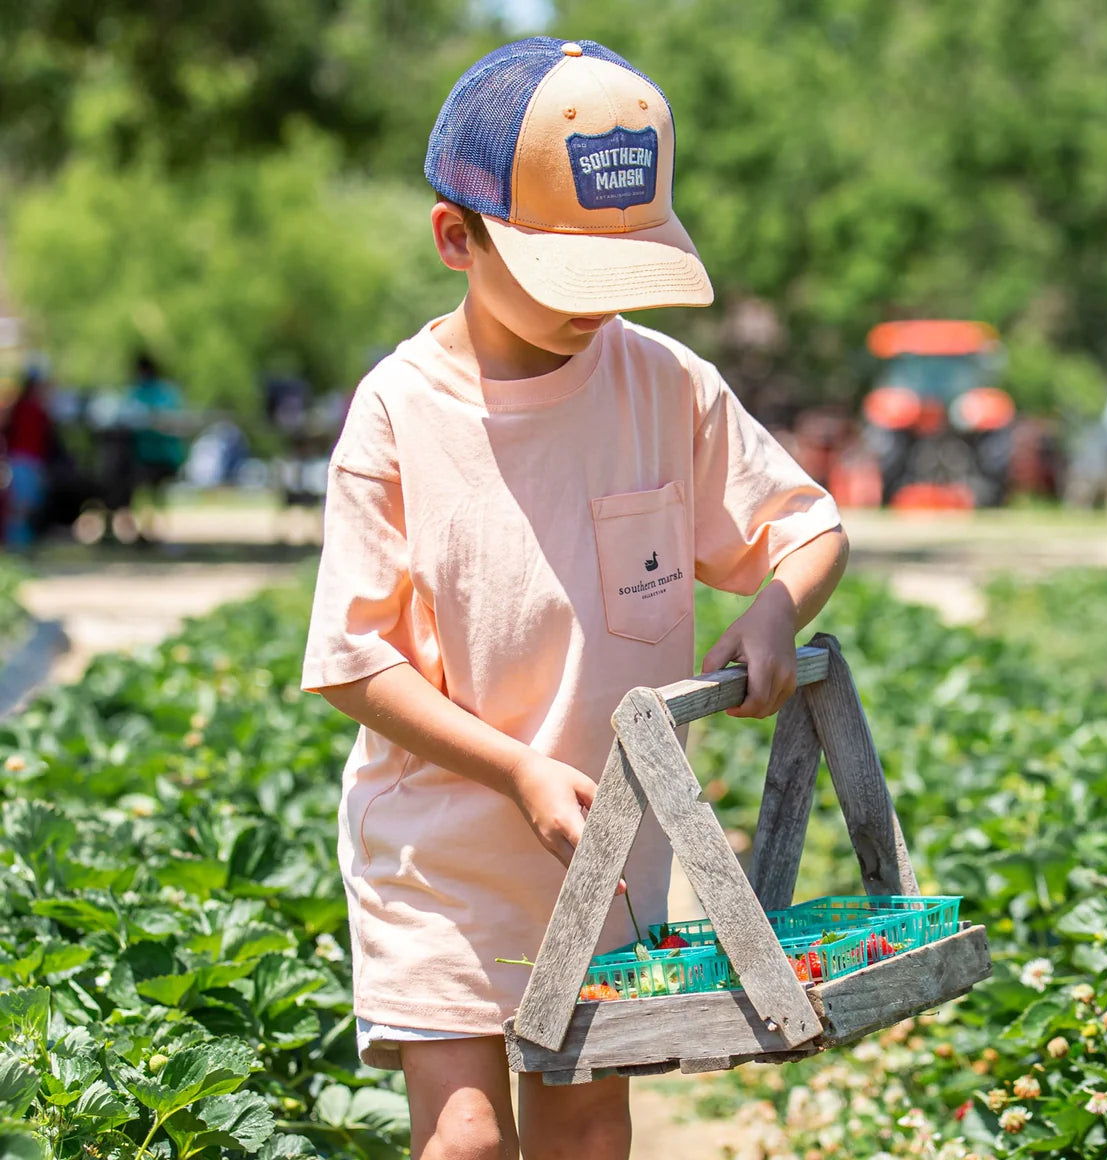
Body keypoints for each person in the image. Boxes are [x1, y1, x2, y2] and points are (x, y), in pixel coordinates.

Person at [301, 37, 849, 1160]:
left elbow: (805, 527)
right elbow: (355, 659)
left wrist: (774, 607)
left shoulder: (664, 384)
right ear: (456, 236)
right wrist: (510, 766)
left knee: (590, 1130)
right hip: (440, 847)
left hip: (609, 853)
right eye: (566, 279)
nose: (594, 311)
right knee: (462, 1142)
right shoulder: (400, 412)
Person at [124, 353, 186, 541]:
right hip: (162, 456)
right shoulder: (167, 393)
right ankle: (152, 528)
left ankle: (149, 528)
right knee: (150, 493)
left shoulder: (141, 394)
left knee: (144, 490)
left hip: (153, 457)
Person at [1, 368, 56, 549]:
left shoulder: (39, 409)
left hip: (33, 461)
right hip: (20, 459)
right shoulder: (20, 407)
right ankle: (15, 541)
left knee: (28, 502)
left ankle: (21, 539)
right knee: (19, 503)